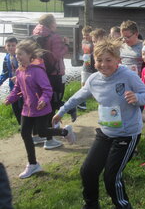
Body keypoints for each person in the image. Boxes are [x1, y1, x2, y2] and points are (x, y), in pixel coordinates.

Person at [52, 39, 145, 209]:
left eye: (108, 60)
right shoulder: (94, 79)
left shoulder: (127, 75)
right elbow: (78, 96)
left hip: (126, 134)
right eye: (99, 60)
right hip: (105, 133)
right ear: (93, 60)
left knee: (111, 177)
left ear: (117, 60)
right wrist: (61, 111)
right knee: (87, 171)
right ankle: (91, 205)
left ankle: (123, 206)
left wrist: (137, 98)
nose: (103, 64)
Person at [5, 39, 75, 179]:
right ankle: (33, 164)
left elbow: (47, 89)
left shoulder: (37, 71)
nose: (17, 56)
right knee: (25, 134)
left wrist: (43, 100)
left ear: (30, 55)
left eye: (20, 54)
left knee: (43, 132)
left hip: (41, 108)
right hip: (27, 109)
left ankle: (65, 131)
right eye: (16, 54)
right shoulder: (20, 71)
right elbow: (18, 88)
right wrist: (10, 98)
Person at [32, 13, 69, 149]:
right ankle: (49, 139)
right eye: (55, 22)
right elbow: (57, 55)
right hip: (54, 75)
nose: (57, 24)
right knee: (52, 105)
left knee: (40, 103)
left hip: (40, 73)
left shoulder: (36, 33)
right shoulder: (54, 37)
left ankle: (36, 135)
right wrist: (66, 45)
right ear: (50, 23)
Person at [0, 37, 22, 125]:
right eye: (8, 45)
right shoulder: (7, 57)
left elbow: (27, 70)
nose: (11, 47)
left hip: (23, 87)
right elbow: (5, 72)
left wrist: (18, 77)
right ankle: (21, 125)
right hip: (13, 87)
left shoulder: (20, 56)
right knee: (15, 107)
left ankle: (28, 127)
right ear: (5, 47)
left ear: (17, 46)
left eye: (13, 45)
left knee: (22, 107)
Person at [78, 26, 96, 110]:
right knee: (83, 85)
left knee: (95, 85)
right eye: (84, 35)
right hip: (85, 65)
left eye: (87, 35)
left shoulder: (94, 42)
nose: (85, 37)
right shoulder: (83, 41)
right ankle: (82, 104)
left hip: (94, 66)